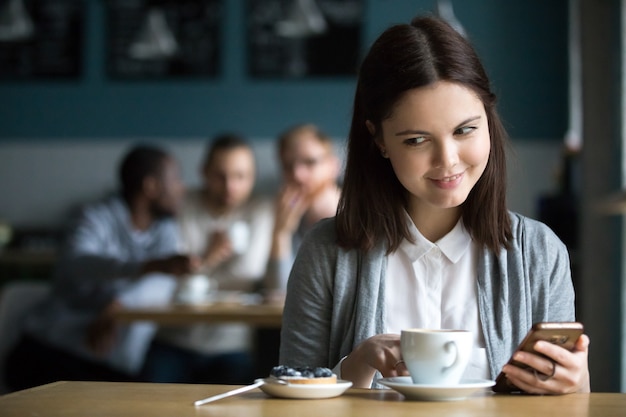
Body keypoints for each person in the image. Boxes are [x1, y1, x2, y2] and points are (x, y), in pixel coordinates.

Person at [279, 15, 591, 395]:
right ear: (378, 140)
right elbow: (290, 400)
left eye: (465, 130)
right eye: (416, 140)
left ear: (489, 121)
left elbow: (572, 402)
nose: (448, 160)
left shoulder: (540, 253)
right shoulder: (327, 252)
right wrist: (356, 365)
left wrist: (575, 381)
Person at [4, 145, 199, 391]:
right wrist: (145, 266)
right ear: (151, 187)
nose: (182, 187)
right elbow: (78, 263)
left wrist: (118, 305)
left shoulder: (166, 229)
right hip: (54, 350)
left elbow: (164, 282)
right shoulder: (94, 217)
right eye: (176, 179)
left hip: (114, 365)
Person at [141, 134, 274, 384]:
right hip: (173, 338)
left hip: (231, 344)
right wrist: (212, 257)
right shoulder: (180, 204)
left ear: (253, 177)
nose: (229, 186)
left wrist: (198, 267)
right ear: (204, 172)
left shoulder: (260, 209)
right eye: (220, 175)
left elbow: (248, 272)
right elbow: (170, 277)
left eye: (240, 176)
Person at [263, 123, 342, 294]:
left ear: (333, 166)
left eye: (309, 162)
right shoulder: (288, 219)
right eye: (288, 166)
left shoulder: (356, 217)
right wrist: (280, 234)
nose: (297, 175)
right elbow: (279, 293)